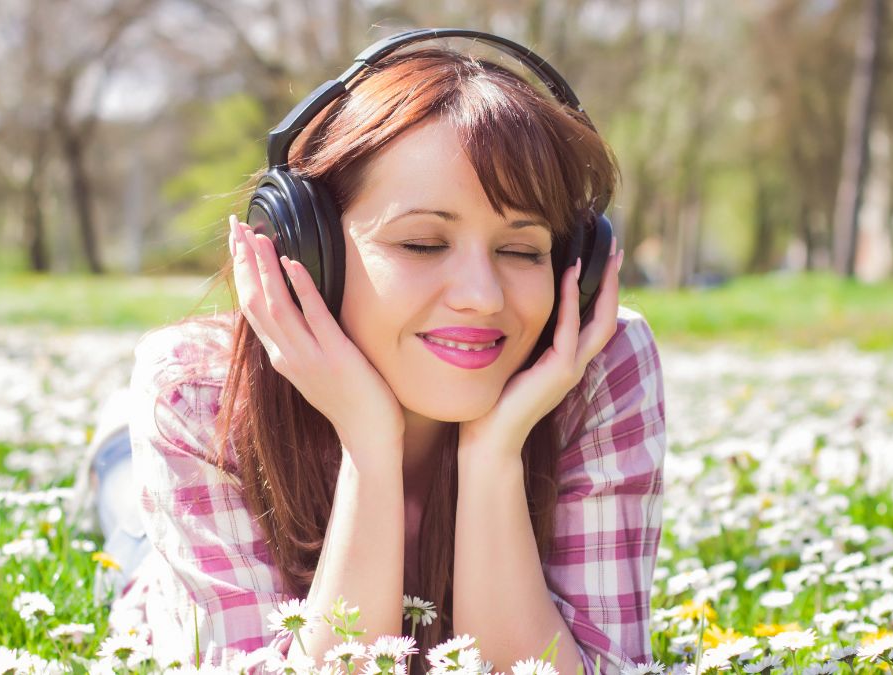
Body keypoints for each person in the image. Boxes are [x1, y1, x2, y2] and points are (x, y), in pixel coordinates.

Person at [76, 29, 666, 675]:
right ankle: (115, 451)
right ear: (307, 247)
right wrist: (369, 447)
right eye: (421, 244)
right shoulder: (195, 394)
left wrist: (494, 454)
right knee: (131, 532)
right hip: (164, 566)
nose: (480, 296)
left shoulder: (595, 362)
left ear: (569, 270)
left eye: (522, 250)